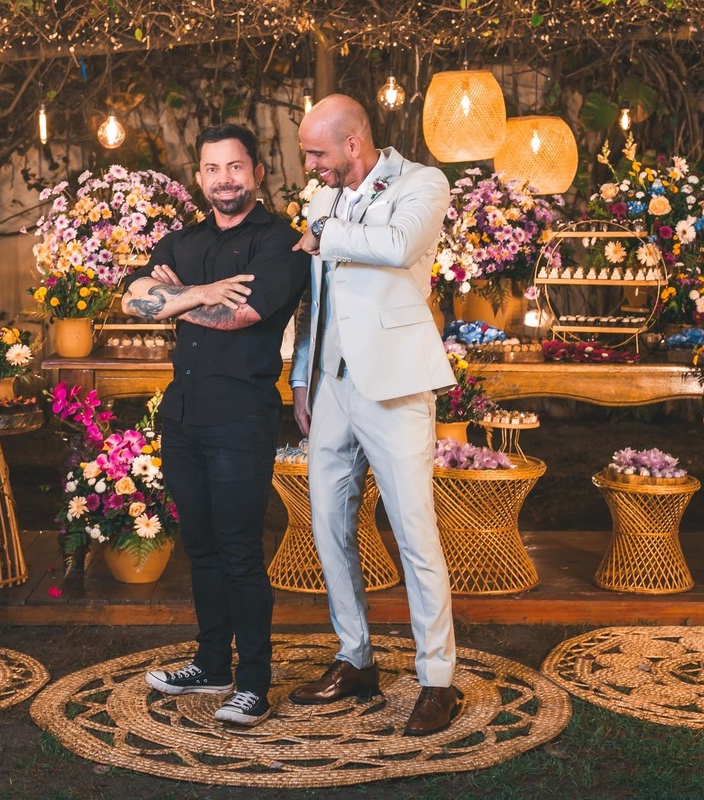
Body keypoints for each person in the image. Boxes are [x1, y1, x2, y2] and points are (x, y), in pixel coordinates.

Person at [122, 123, 309, 728]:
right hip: (181, 416)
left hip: (240, 418)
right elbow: (132, 300)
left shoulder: (279, 242)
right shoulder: (184, 241)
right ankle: (211, 663)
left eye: (235, 167)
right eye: (212, 169)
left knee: (238, 552)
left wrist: (173, 300)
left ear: (255, 172)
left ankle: (252, 680)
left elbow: (243, 315)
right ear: (198, 176)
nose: (224, 179)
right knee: (199, 547)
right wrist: (202, 292)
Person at [288, 95, 462, 736]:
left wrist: (324, 235)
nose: (310, 165)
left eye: (317, 153)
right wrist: (302, 375)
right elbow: (314, 297)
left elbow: (396, 245)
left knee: (415, 535)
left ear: (353, 143)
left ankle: (437, 678)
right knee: (329, 523)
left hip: (395, 384)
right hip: (331, 386)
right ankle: (355, 658)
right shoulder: (321, 201)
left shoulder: (422, 183)